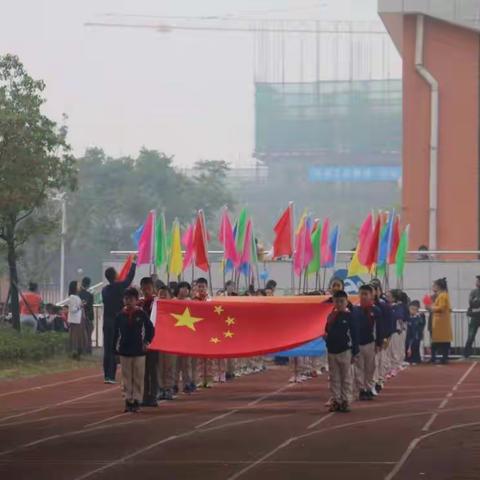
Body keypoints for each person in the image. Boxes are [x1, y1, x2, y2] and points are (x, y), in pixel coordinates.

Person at [113, 287, 154, 413]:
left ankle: (136, 400)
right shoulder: (120, 315)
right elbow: (115, 334)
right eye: (126, 298)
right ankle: (128, 400)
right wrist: (114, 349)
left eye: (131, 299)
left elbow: (150, 329)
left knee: (138, 376)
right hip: (124, 350)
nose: (128, 301)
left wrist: (147, 342)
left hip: (139, 350)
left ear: (136, 300)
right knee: (126, 377)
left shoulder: (141, 314)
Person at [101, 256, 137, 384]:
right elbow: (129, 278)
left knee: (107, 349)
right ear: (115, 276)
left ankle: (107, 375)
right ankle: (111, 375)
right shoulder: (119, 286)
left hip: (106, 321)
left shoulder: (104, 290)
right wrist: (133, 263)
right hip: (116, 322)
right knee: (114, 348)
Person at [324, 290, 359, 413]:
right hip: (332, 351)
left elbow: (354, 335)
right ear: (333, 301)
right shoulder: (331, 316)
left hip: (345, 351)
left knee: (346, 377)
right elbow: (327, 331)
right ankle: (336, 400)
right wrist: (327, 340)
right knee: (334, 377)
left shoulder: (350, 316)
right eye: (336, 301)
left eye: (341, 301)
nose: (339, 304)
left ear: (346, 301)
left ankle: (346, 400)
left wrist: (355, 352)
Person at [352, 285, 383, 401]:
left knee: (370, 367)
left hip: (371, 343)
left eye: (366, 294)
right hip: (358, 343)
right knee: (359, 367)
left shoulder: (376, 310)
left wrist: (379, 343)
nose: (364, 296)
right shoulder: (354, 310)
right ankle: (361, 389)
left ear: (372, 295)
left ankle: (369, 388)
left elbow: (379, 328)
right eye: (362, 294)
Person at [138, 277, 158, 407]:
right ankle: (145, 395)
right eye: (143, 289)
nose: (146, 291)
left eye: (148, 289)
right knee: (143, 370)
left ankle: (153, 396)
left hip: (154, 340)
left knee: (152, 370)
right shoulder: (139, 304)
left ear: (153, 288)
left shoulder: (157, 303)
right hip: (140, 341)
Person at [157, 285, 176, 399]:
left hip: (171, 342)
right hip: (158, 342)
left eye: (165, 294)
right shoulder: (155, 307)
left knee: (169, 366)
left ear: (170, 296)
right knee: (160, 366)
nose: (163, 295)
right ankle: (160, 388)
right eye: (161, 293)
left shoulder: (175, 307)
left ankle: (169, 388)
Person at [427, 278, 452, 364]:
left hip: (441, 322)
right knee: (439, 341)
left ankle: (441, 358)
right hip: (440, 321)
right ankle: (438, 357)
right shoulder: (442, 295)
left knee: (441, 341)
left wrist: (432, 308)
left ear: (439, 286)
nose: (433, 287)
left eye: (434, 285)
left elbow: (441, 307)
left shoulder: (443, 295)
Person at [66, 281, 87, 359]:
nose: (80, 286)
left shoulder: (76, 296)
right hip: (76, 321)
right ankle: (75, 352)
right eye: (78, 285)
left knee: (79, 336)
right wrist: (80, 306)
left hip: (79, 319)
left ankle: (78, 352)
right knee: (76, 336)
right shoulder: (72, 297)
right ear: (74, 287)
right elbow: (72, 309)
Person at [464, 276, 480, 358]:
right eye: (477, 281)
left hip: (476, 314)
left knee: (471, 335)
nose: (477, 282)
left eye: (478, 281)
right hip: (475, 316)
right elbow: (471, 303)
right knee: (471, 335)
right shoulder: (473, 292)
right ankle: (466, 353)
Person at [79, 277, 94, 354]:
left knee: (82, 334)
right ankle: (88, 350)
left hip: (79, 317)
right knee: (88, 335)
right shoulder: (90, 295)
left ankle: (82, 349)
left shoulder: (77, 294)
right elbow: (90, 307)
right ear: (88, 284)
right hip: (88, 317)